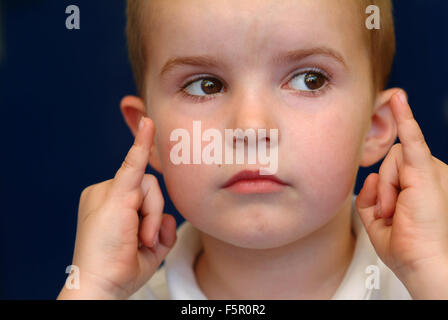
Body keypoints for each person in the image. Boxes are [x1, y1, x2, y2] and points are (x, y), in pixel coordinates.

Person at [57, 0, 448, 300]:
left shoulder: (425, 283)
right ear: (152, 137)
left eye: (310, 80)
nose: (251, 128)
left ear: (374, 127)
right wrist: (91, 288)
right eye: (205, 85)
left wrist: (434, 271)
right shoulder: (106, 293)